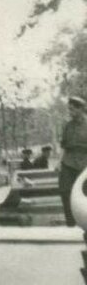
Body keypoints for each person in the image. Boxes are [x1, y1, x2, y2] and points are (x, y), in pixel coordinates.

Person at [59, 97, 87, 226]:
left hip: (85, 163)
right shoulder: (67, 126)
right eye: (69, 109)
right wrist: (60, 162)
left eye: (72, 109)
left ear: (81, 109)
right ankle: (70, 222)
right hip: (69, 161)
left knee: (84, 192)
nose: (70, 112)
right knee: (65, 190)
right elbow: (64, 146)